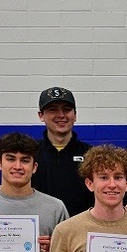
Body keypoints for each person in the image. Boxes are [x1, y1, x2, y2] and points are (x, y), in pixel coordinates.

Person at [34, 86, 93, 217]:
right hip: (42, 231)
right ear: (41, 115)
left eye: (67, 110)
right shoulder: (30, 154)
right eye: (53, 110)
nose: (61, 115)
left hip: (80, 231)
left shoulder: (91, 155)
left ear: (75, 115)